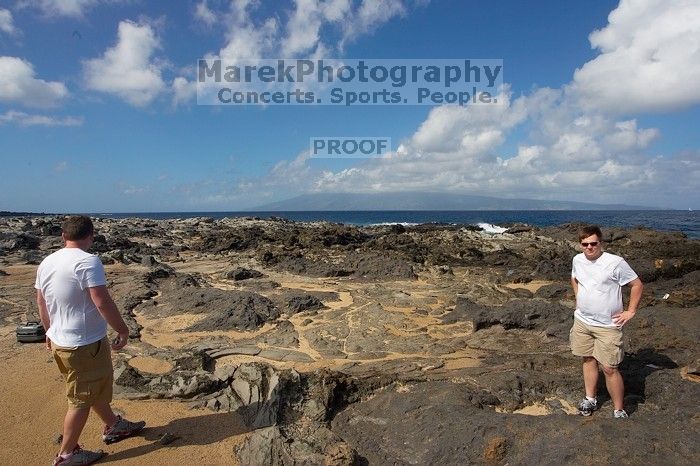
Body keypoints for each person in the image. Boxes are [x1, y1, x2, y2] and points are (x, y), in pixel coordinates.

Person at [36, 216, 145, 465]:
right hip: (84, 344)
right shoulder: (88, 261)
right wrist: (122, 329)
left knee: (91, 387)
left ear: (63, 236)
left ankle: (113, 424)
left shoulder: (47, 262)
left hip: (62, 341)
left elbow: (41, 301)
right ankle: (67, 454)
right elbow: (101, 301)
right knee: (81, 399)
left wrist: (48, 331)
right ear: (91, 236)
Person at [570, 224, 643, 419]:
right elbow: (574, 279)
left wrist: (630, 311)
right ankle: (590, 398)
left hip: (608, 326)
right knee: (588, 359)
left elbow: (636, 285)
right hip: (582, 322)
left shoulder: (615, 262)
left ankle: (618, 409)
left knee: (610, 368)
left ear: (601, 243)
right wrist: (579, 299)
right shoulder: (578, 260)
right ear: (580, 245)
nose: (589, 247)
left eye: (593, 243)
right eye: (585, 244)